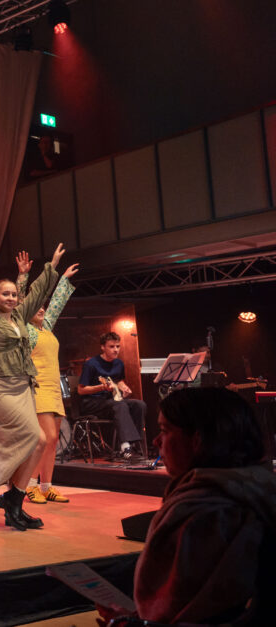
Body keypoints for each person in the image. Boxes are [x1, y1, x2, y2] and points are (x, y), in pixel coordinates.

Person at [100, 387, 276, 624]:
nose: (156, 441)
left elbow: (183, 612)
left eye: (165, 431)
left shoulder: (201, 514)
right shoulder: (261, 487)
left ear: (198, 440)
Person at [0, 228, 62, 531]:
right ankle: (14, 499)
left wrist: (51, 267)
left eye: (13, 294)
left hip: (23, 386)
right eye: (4, 294)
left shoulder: (20, 317)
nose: (10, 297)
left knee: (31, 443)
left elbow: (37, 295)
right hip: (1, 388)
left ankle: (14, 505)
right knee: (36, 438)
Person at [15, 251, 79, 504]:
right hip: (37, 388)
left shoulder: (47, 327)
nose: (41, 309)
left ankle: (46, 486)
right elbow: (21, 302)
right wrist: (23, 276)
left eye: (43, 306)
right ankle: (29, 485)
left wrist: (63, 279)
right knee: (47, 438)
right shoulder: (26, 329)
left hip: (54, 389)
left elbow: (57, 303)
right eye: (37, 306)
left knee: (53, 441)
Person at [77, 332, 146, 458]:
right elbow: (81, 390)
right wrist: (101, 387)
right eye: (112, 347)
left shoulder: (119, 363)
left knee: (139, 405)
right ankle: (125, 447)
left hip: (110, 401)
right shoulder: (91, 364)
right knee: (120, 405)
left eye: (118, 346)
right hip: (92, 403)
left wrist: (124, 387)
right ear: (102, 347)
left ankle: (135, 444)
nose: (116, 350)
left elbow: (118, 380)